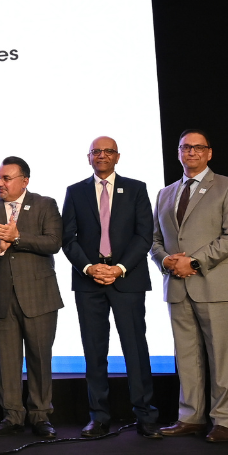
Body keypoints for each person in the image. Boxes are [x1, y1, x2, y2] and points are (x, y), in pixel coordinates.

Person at [150, 130, 228, 443]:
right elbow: (154, 240)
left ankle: (224, 420)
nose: (190, 152)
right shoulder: (165, 193)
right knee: (186, 356)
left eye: (197, 147)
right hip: (177, 287)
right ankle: (190, 416)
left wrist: (192, 262)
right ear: (179, 153)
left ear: (209, 153)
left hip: (216, 285)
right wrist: (166, 261)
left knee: (222, 357)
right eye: (184, 147)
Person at [61, 137, 161, 438]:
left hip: (127, 279)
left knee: (135, 349)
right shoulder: (75, 191)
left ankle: (146, 416)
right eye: (96, 152)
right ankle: (99, 417)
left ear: (117, 157)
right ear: (88, 157)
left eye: (107, 151)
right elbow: (69, 238)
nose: (101, 156)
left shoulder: (136, 188)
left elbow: (145, 236)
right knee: (94, 351)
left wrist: (118, 269)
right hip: (88, 281)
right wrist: (91, 268)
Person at [0, 156, 64, 437]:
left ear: (24, 180)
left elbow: (53, 242)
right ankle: (12, 415)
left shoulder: (44, 204)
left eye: (6, 178)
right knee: (6, 359)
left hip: (39, 295)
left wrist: (17, 237)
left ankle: (40, 415)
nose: (0, 183)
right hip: (1, 296)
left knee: (39, 357)